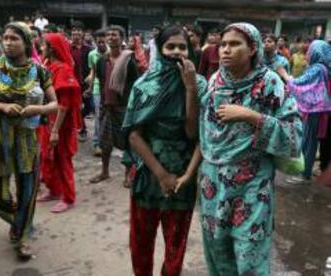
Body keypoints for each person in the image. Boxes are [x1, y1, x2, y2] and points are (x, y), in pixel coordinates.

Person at [196, 23, 302, 275]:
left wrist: (251, 116)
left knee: (249, 257)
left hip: (252, 185)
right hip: (213, 182)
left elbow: (294, 136)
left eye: (234, 44)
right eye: (223, 44)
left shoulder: (270, 83)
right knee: (218, 251)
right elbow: (205, 132)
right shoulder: (215, 82)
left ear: (253, 48)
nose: (226, 50)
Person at [123, 25, 206, 275]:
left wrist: (190, 87)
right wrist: (161, 175)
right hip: (149, 174)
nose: (177, 52)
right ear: (160, 50)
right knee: (141, 243)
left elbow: (193, 133)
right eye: (170, 46)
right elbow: (134, 136)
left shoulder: (199, 84)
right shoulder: (143, 85)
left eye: (182, 47)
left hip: (183, 176)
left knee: (175, 245)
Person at [0, 22, 57, 260]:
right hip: (0, 137)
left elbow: (54, 105)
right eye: (5, 38)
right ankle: (18, 219)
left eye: (14, 39)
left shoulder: (39, 70)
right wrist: (2, 106)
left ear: (27, 42)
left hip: (27, 139)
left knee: (28, 188)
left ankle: (22, 233)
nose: (8, 43)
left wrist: (36, 109)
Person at [36, 33, 82, 212]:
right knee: (48, 158)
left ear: (51, 49)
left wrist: (55, 130)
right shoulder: (47, 66)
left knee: (63, 159)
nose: (40, 49)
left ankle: (68, 198)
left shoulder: (63, 70)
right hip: (47, 121)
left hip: (60, 125)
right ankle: (54, 190)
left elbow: (64, 105)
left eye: (43, 46)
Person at [89, 25, 140, 185]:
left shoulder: (129, 61)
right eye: (109, 35)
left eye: (115, 35)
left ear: (122, 38)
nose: (111, 37)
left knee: (127, 142)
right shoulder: (100, 61)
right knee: (105, 142)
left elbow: (134, 84)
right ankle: (104, 172)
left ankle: (127, 175)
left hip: (124, 106)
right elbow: (102, 82)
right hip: (107, 106)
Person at [277, 40, 331, 183]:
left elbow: (300, 84)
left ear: (316, 53)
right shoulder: (323, 68)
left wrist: (284, 75)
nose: (308, 54)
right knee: (310, 141)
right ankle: (306, 171)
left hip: (313, 111)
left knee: (308, 141)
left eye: (310, 51)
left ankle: (305, 174)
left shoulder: (318, 68)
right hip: (317, 110)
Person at [87, 29, 108, 157]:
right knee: (98, 117)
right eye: (98, 40)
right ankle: (97, 144)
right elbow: (92, 73)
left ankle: (107, 142)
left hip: (110, 88)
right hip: (97, 89)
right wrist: (89, 87)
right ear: (95, 41)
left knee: (108, 117)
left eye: (103, 40)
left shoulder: (112, 53)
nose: (101, 43)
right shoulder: (92, 55)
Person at [70, 20, 92, 142]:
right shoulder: (68, 48)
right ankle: (82, 130)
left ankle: (76, 121)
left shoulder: (88, 49)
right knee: (76, 107)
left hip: (85, 84)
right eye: (74, 30)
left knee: (89, 107)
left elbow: (92, 67)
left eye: (78, 30)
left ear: (83, 33)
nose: (76, 33)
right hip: (71, 84)